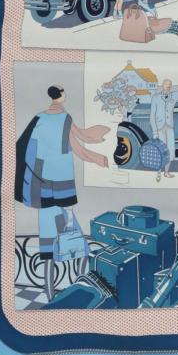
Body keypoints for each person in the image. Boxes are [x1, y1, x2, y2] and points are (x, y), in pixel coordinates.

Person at [15, 85, 109, 301]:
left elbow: (27, 148)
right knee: (80, 248)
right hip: (60, 189)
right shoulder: (64, 118)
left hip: (42, 189)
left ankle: (50, 296)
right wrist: (98, 158)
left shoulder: (39, 118)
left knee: (49, 250)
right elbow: (79, 147)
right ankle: (79, 290)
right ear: (62, 96)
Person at [149, 79, 178, 181]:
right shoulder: (155, 97)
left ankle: (166, 172)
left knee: (170, 150)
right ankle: (158, 172)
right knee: (160, 150)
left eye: (170, 84)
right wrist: (155, 132)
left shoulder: (174, 95)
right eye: (166, 84)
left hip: (169, 127)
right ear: (162, 85)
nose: (168, 86)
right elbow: (152, 116)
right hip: (159, 128)